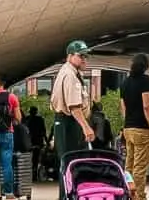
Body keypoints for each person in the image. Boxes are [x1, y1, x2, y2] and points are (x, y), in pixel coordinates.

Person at [52, 41, 95, 200]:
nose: (84, 59)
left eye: (86, 56)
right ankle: (68, 196)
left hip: (67, 122)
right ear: (70, 56)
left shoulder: (72, 72)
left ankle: (69, 196)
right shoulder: (70, 75)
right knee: (71, 163)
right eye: (80, 56)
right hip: (69, 123)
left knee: (69, 163)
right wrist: (86, 127)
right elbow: (74, 106)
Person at [121, 54, 149, 200]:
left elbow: (122, 106)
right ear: (146, 66)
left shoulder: (125, 82)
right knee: (140, 167)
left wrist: (127, 122)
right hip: (142, 128)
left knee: (129, 165)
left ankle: (126, 193)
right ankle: (139, 196)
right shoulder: (145, 80)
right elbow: (147, 105)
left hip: (128, 128)